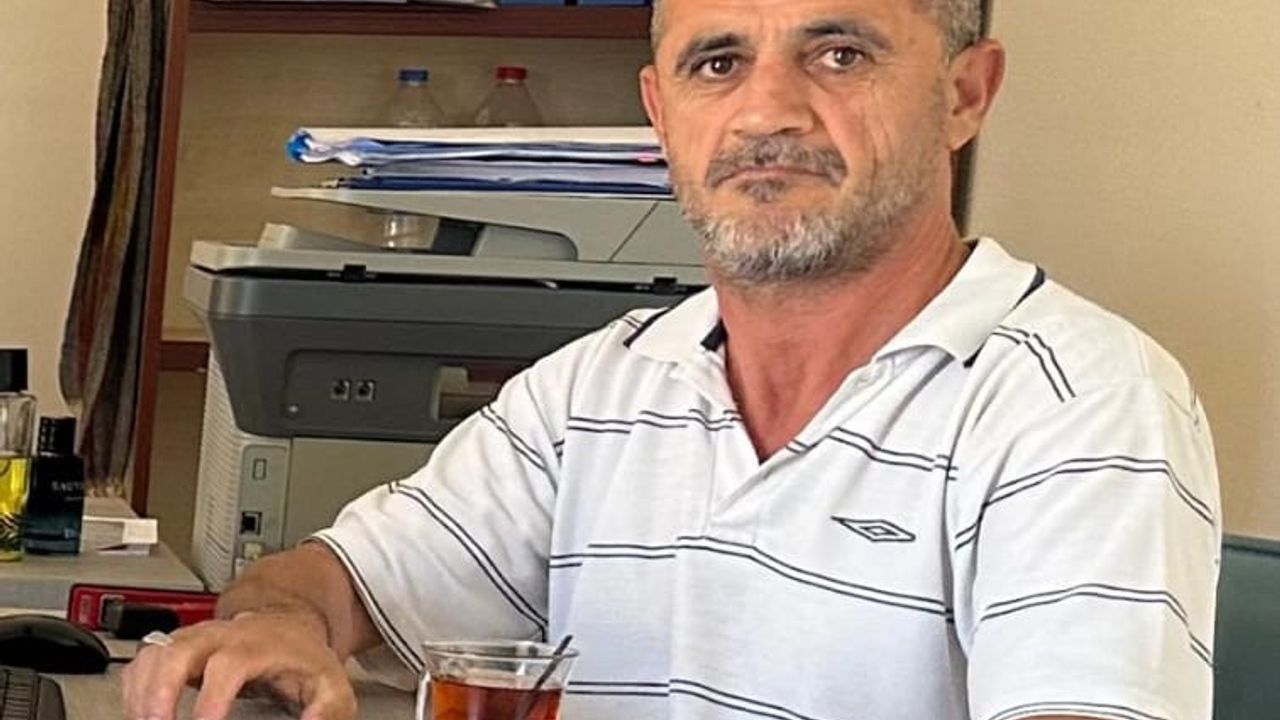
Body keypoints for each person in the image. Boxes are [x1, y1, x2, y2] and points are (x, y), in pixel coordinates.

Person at [123, 0, 1221, 719]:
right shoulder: (598, 387)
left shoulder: (1077, 402)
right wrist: (281, 626)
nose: (765, 111)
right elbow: (325, 582)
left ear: (963, 94)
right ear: (660, 112)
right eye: (717, 62)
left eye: (839, 53)